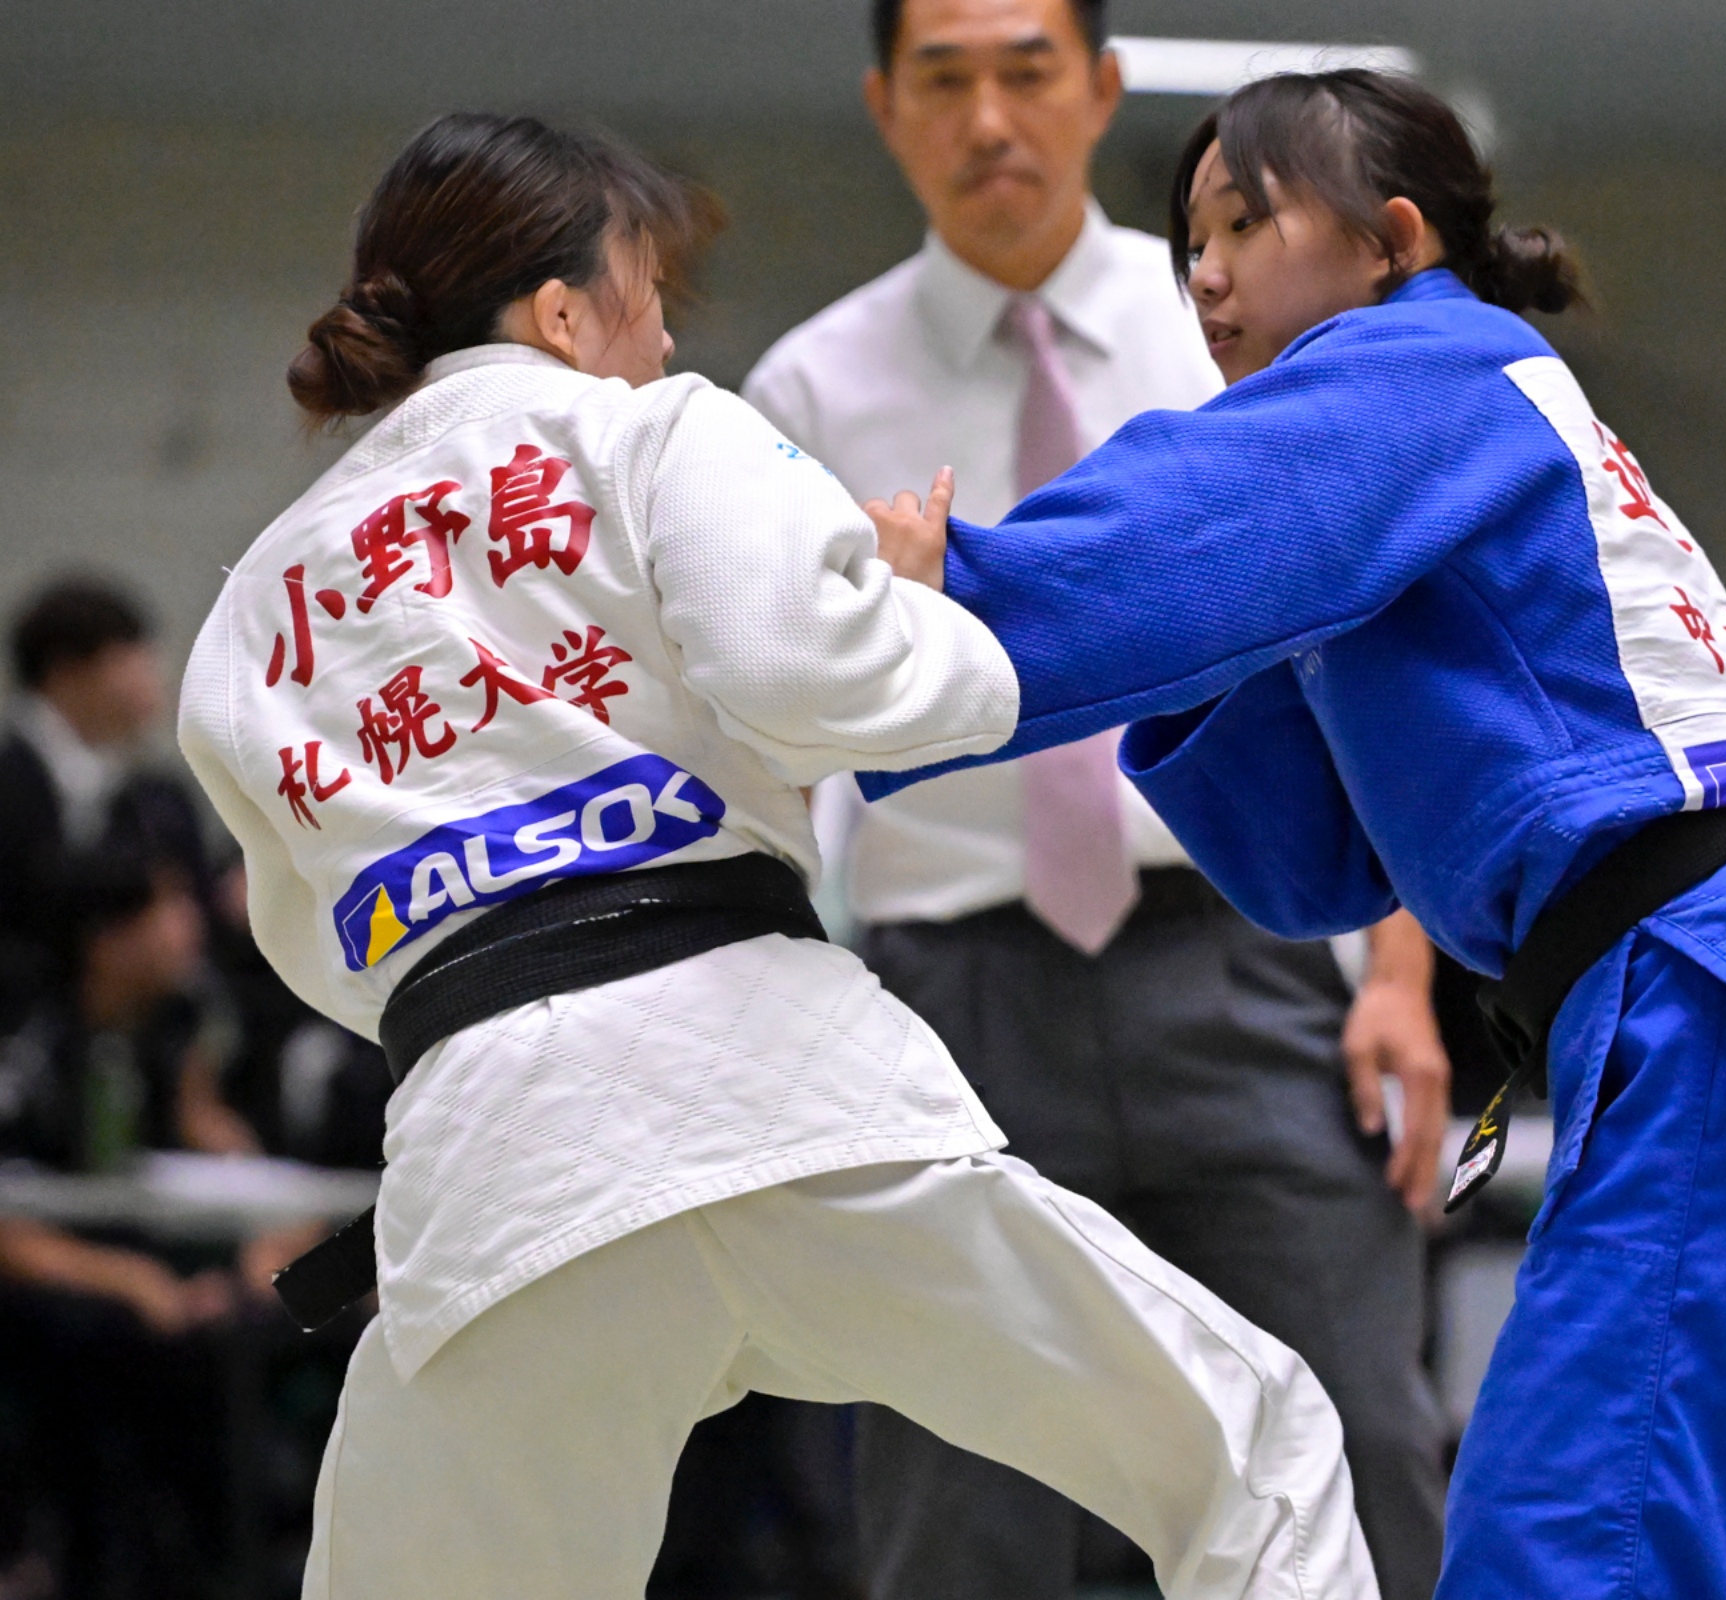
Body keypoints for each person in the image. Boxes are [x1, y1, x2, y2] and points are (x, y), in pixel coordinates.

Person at [175, 113, 1375, 1600]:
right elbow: (813, 674)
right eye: (647, 294)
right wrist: (927, 610)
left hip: (493, 1163)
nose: (667, 337)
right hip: (778, 1100)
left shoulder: (254, 608)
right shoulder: (651, 430)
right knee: (1246, 1454)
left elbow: (312, 934)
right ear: (562, 314)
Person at [865, 69, 1726, 1600]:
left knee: (1569, 1561)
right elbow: (1310, 870)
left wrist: (923, 601)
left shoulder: (1419, 363)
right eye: (1189, 244)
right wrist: (1201, 660)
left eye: (1244, 223)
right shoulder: (1454, 432)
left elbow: (1168, 527)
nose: (1204, 275)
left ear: (1391, 241)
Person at [742, 3, 1448, 1593]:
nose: (989, 117)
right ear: (885, 107)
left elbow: (1377, 644)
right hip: (951, 999)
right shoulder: (803, 392)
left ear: (1103, 89)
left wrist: (1400, 976)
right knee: (958, 1497)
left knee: (1358, 1448)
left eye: (1027, 70)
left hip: (1249, 961)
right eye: (944, 79)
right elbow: (764, 737)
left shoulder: (1238, 319)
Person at [0, 847, 244, 1599]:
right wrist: (131, 1281)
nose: (188, 927)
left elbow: (224, 1164)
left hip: (155, 1285)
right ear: (106, 939)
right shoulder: (34, 1048)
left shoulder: (169, 1038)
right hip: (55, 1306)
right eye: (165, 909)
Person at [0, 579, 208, 1023]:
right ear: (66, 670)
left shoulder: (143, 787)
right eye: (127, 660)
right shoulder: (15, 781)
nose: (149, 679)